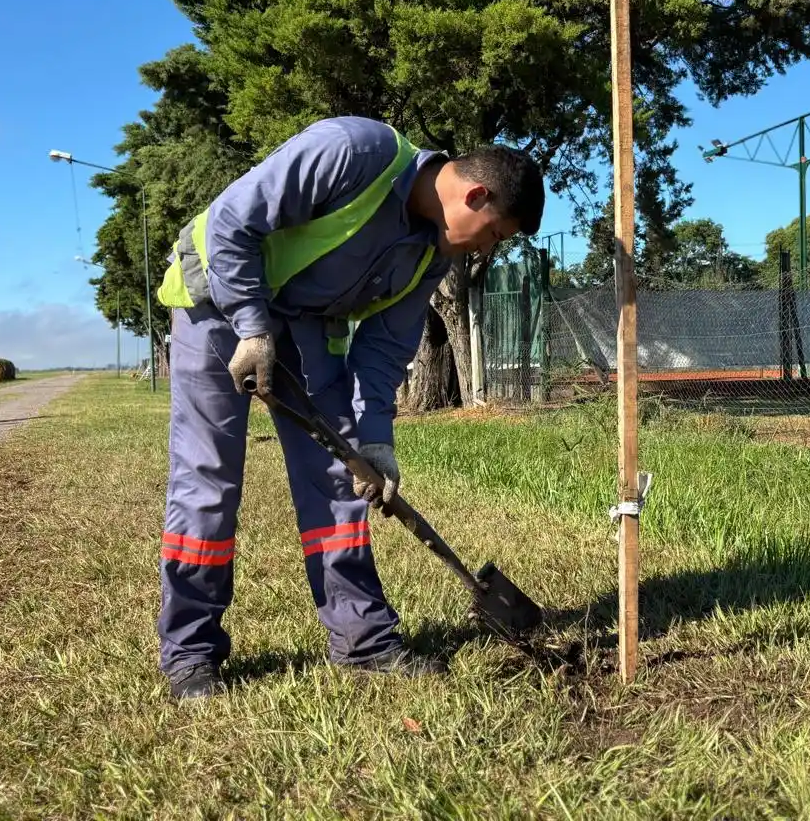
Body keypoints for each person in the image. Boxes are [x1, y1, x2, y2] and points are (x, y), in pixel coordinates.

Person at [154, 115, 545, 700]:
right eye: (494, 233)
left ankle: (363, 641)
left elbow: (383, 350)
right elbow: (233, 223)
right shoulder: (352, 152)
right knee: (209, 480)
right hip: (216, 300)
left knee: (341, 481)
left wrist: (376, 441)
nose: (487, 247)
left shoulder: (430, 256)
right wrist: (253, 329)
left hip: (305, 325)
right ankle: (190, 653)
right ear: (475, 195)